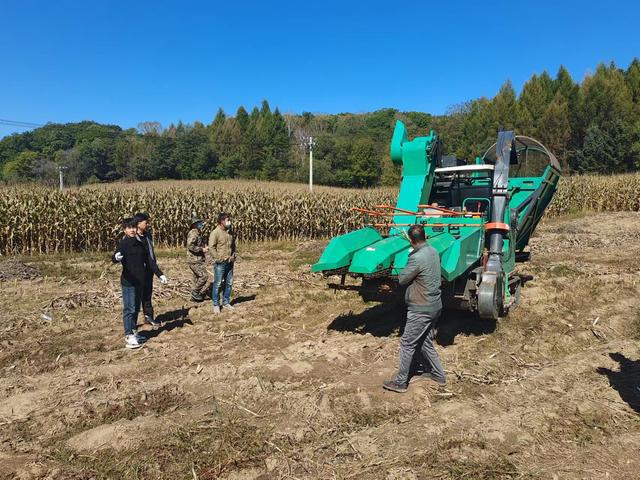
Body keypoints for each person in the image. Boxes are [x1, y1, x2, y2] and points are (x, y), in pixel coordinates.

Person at [383, 225, 445, 393]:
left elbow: (403, 279)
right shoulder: (433, 251)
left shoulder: (416, 257)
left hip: (421, 308)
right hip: (435, 305)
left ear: (411, 240)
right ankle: (438, 375)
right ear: (425, 236)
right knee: (425, 342)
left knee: (407, 344)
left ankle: (401, 382)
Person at [112, 217, 148, 349]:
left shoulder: (139, 242)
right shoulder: (124, 243)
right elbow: (115, 256)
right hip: (128, 282)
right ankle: (128, 335)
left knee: (136, 309)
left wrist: (159, 274)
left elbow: (147, 260)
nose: (132, 230)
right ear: (124, 230)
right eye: (129, 228)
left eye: (134, 227)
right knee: (129, 309)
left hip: (139, 281)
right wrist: (116, 258)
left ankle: (133, 332)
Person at [133, 212, 167, 326]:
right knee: (136, 297)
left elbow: (150, 256)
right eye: (145, 222)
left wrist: (158, 273)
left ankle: (149, 318)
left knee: (147, 295)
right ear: (138, 223)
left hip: (149, 269)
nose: (147, 224)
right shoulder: (132, 237)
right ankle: (132, 323)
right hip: (137, 272)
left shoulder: (148, 235)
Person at [208, 212, 236, 314]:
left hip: (230, 262)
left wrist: (233, 255)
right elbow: (211, 247)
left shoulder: (230, 232)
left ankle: (226, 302)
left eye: (229, 220)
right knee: (218, 284)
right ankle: (216, 304)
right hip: (220, 263)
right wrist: (218, 258)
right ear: (221, 221)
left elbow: (233, 245)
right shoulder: (215, 232)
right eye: (227, 220)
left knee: (229, 283)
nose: (229, 222)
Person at [187, 216, 209, 302]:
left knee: (196, 278)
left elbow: (198, 242)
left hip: (197, 259)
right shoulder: (193, 233)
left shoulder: (198, 232)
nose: (201, 224)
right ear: (195, 224)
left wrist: (204, 246)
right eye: (199, 223)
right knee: (204, 276)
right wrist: (201, 249)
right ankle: (195, 292)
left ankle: (195, 297)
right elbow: (190, 245)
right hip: (194, 260)